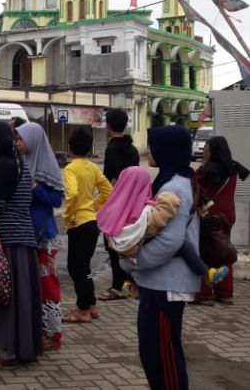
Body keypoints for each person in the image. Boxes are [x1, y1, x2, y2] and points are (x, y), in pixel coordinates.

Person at [121, 126, 201, 390]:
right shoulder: (172, 179)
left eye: (154, 145)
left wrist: (134, 261)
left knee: (162, 356)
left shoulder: (175, 185)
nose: (150, 150)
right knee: (154, 352)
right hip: (159, 283)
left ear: (168, 149)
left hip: (166, 285)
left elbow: (170, 241)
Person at [0, 120, 42, 368]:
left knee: (6, 298)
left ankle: (8, 353)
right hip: (21, 238)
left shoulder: (3, 165)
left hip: (7, 240)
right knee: (19, 299)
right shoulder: (18, 162)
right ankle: (21, 348)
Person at [98, 166, 228, 290]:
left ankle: (132, 285)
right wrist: (168, 202)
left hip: (125, 251)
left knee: (128, 260)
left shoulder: (114, 208)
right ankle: (206, 273)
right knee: (183, 245)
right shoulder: (143, 208)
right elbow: (152, 225)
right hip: (142, 249)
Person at [15, 122, 64, 352]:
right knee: (32, 288)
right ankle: (36, 332)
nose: (17, 143)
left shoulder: (47, 167)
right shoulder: (22, 163)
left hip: (45, 235)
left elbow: (56, 200)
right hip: (27, 233)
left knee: (48, 287)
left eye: (21, 139)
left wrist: (35, 187)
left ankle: (53, 335)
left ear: (33, 141)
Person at [61, 128, 112, 323]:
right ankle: (91, 305)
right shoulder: (92, 167)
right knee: (84, 267)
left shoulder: (71, 168)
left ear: (69, 148)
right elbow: (108, 190)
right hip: (92, 222)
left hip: (79, 224)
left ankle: (83, 310)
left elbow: (72, 194)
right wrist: (93, 206)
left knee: (76, 268)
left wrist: (68, 215)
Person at [194, 136, 250, 306]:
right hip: (228, 216)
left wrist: (202, 164)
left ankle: (204, 294)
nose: (205, 152)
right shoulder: (233, 167)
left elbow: (196, 182)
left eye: (207, 149)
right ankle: (225, 293)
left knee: (207, 253)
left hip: (211, 216)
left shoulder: (209, 169)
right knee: (224, 251)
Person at [98, 108, 141, 302]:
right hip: (133, 202)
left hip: (117, 202)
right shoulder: (131, 149)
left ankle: (117, 287)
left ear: (108, 126)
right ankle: (129, 283)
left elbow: (112, 179)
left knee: (113, 244)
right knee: (129, 242)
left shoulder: (112, 148)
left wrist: (109, 205)